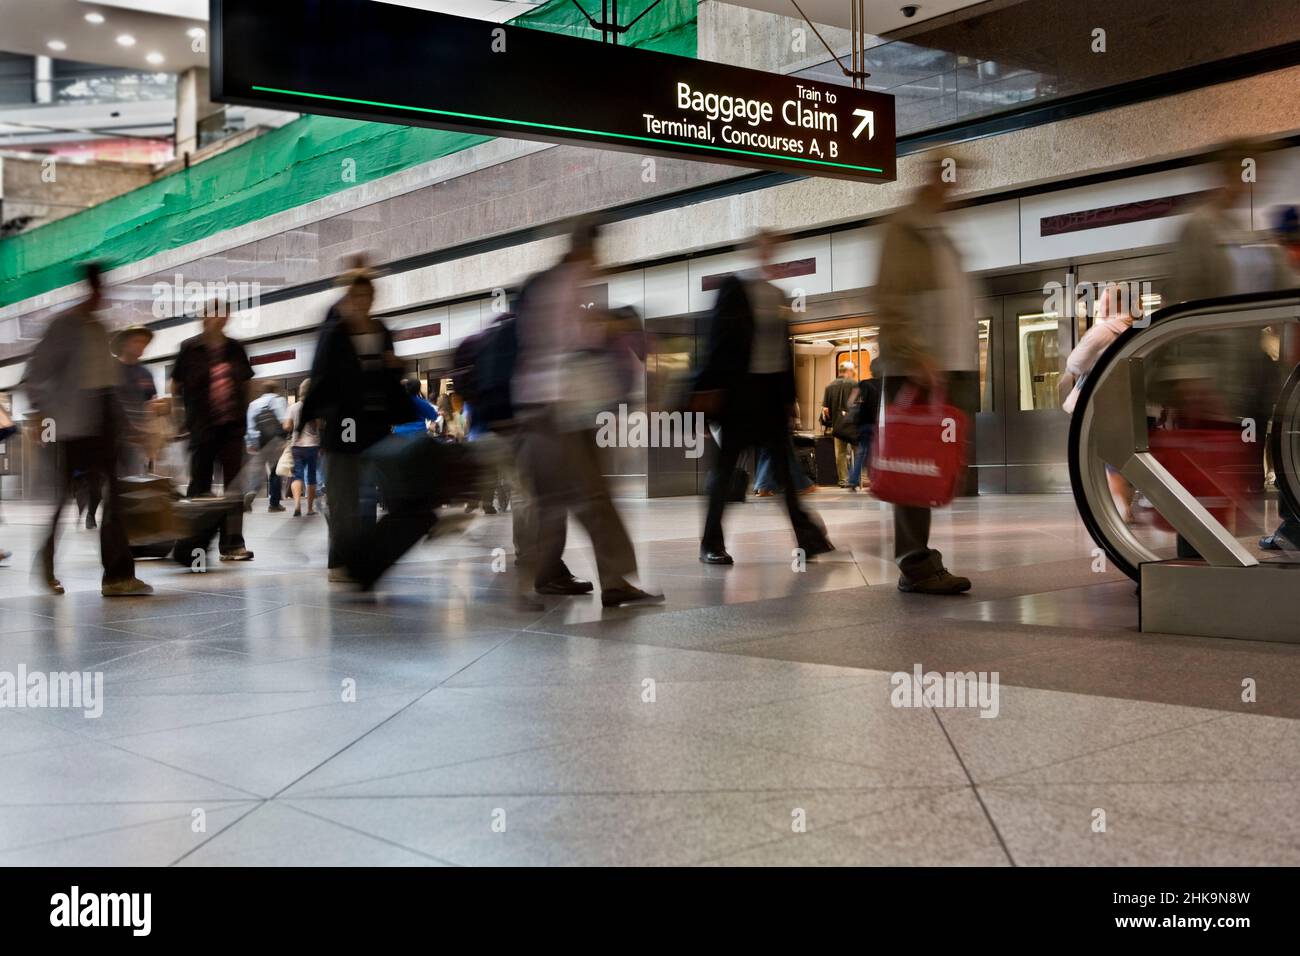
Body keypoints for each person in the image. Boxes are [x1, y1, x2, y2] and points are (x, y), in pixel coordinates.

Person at [512, 217, 662, 608]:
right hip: (562, 411)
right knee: (592, 497)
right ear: (588, 248)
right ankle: (612, 582)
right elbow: (573, 339)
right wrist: (609, 326)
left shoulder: (547, 281)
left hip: (539, 408)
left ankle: (533, 582)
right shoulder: (569, 281)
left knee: (552, 501)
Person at [692, 229, 833, 566]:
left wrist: (788, 401)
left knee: (785, 471)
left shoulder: (776, 294)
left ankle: (807, 537)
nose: (770, 253)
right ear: (754, 250)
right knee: (725, 473)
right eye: (765, 246)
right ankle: (711, 543)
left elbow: (784, 355)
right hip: (738, 398)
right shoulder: (734, 288)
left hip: (769, 398)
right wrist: (710, 389)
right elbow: (716, 341)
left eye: (775, 247)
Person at [874, 165, 978, 594]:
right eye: (951, 177)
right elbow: (889, 294)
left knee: (934, 461)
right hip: (917, 366)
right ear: (934, 177)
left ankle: (918, 558)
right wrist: (912, 350)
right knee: (913, 462)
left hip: (949, 366)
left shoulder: (939, 232)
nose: (957, 186)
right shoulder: (905, 228)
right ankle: (915, 563)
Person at [23, 263, 152, 596]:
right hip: (72, 425)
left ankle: (118, 575)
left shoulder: (99, 328)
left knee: (116, 497)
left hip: (103, 423)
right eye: (97, 287)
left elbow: (108, 387)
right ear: (87, 287)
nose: (101, 294)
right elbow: (36, 372)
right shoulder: (64, 325)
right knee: (64, 497)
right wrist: (40, 413)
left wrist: (128, 426)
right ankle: (46, 560)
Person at [299, 268, 410, 582]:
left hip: (374, 424)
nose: (364, 301)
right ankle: (339, 561)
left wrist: (393, 367)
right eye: (358, 295)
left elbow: (390, 374)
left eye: (369, 296)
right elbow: (320, 374)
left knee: (368, 496)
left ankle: (362, 561)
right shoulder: (336, 332)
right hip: (342, 424)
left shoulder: (381, 329)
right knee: (342, 495)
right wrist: (312, 417)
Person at [171, 299, 255, 562]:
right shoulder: (189, 348)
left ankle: (232, 544)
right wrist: (180, 419)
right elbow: (175, 386)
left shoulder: (235, 349)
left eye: (224, 314)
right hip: (202, 428)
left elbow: (248, 383)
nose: (220, 318)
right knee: (200, 486)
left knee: (233, 487)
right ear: (204, 317)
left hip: (231, 429)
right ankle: (194, 543)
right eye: (215, 313)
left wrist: (243, 418)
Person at [1061, 286, 1137, 520]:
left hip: (1102, 403)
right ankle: (1125, 504)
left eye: (1103, 303)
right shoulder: (1138, 327)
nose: (1099, 307)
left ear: (1115, 305)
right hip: (1132, 402)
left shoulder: (1104, 330)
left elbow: (1075, 363)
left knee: (1106, 456)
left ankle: (1119, 507)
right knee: (1125, 455)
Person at [111, 325, 162, 476]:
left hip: (138, 435)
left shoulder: (145, 373)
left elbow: (151, 400)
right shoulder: (110, 369)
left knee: (133, 477)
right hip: (115, 433)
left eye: (144, 342)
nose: (141, 346)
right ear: (124, 343)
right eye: (137, 341)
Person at [243, 382, 291, 513]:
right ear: (275, 389)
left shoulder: (253, 404)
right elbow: (284, 421)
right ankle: (274, 504)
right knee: (275, 472)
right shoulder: (278, 400)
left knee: (258, 472)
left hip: (260, 441)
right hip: (275, 441)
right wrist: (285, 439)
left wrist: (251, 443)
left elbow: (250, 427)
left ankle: (252, 491)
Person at [822, 360, 859, 487]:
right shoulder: (855, 384)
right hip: (854, 425)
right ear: (849, 371)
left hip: (838, 426)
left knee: (841, 454)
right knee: (859, 451)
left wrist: (834, 420)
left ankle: (843, 480)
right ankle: (857, 479)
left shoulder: (829, 386)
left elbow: (825, 410)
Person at [287, 379, 321, 517]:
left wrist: (294, 427)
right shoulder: (315, 407)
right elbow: (318, 426)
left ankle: (296, 506)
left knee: (297, 476)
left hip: (297, 446)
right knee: (311, 476)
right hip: (312, 445)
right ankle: (310, 509)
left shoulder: (293, 407)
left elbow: (287, 426)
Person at [845, 371, 882, 493]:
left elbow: (850, 402)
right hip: (877, 423)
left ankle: (853, 480)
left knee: (862, 453)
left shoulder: (863, 383)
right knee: (875, 454)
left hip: (863, 423)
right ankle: (874, 481)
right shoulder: (884, 385)